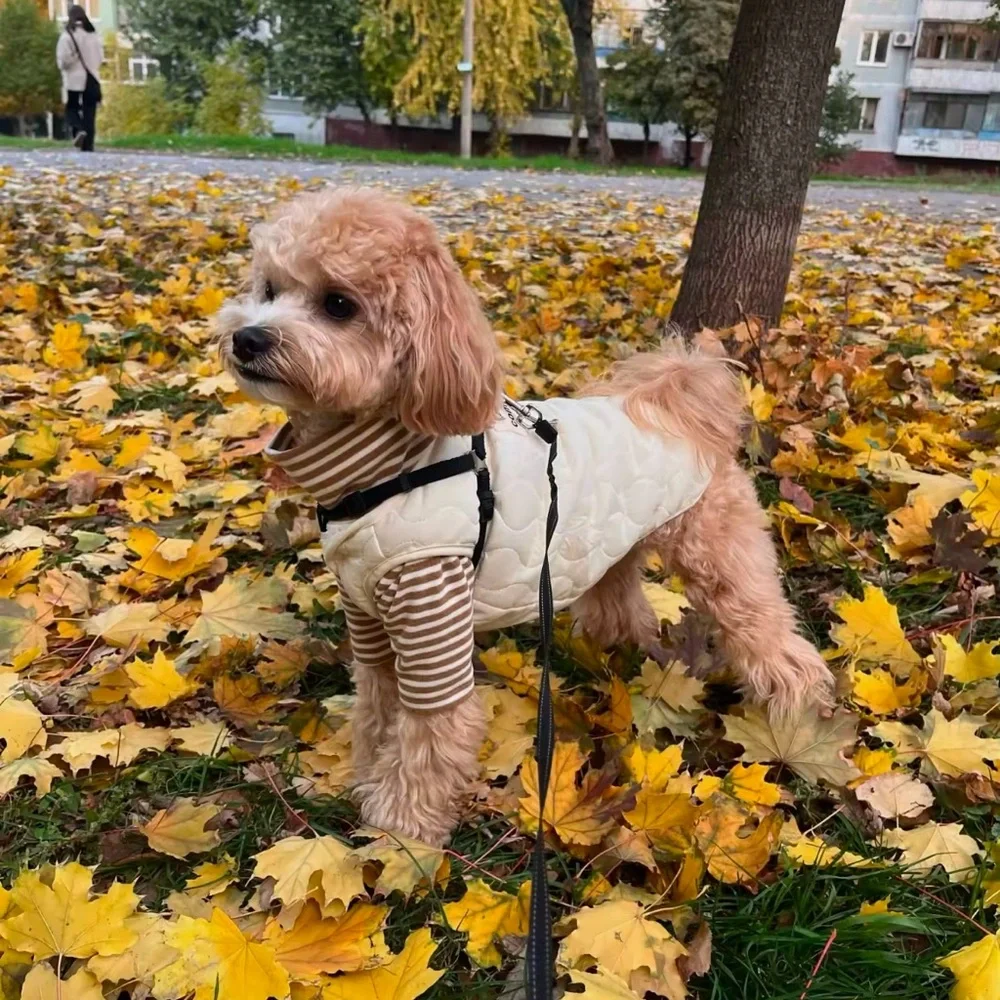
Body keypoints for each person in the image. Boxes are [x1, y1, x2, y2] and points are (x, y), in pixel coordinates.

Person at [56, 5, 103, 152]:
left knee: (72, 108)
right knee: (90, 112)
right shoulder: (94, 35)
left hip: (74, 80)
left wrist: (72, 61)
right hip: (92, 78)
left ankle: (78, 129)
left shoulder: (67, 36)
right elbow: (100, 57)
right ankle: (88, 145)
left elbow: (63, 61)